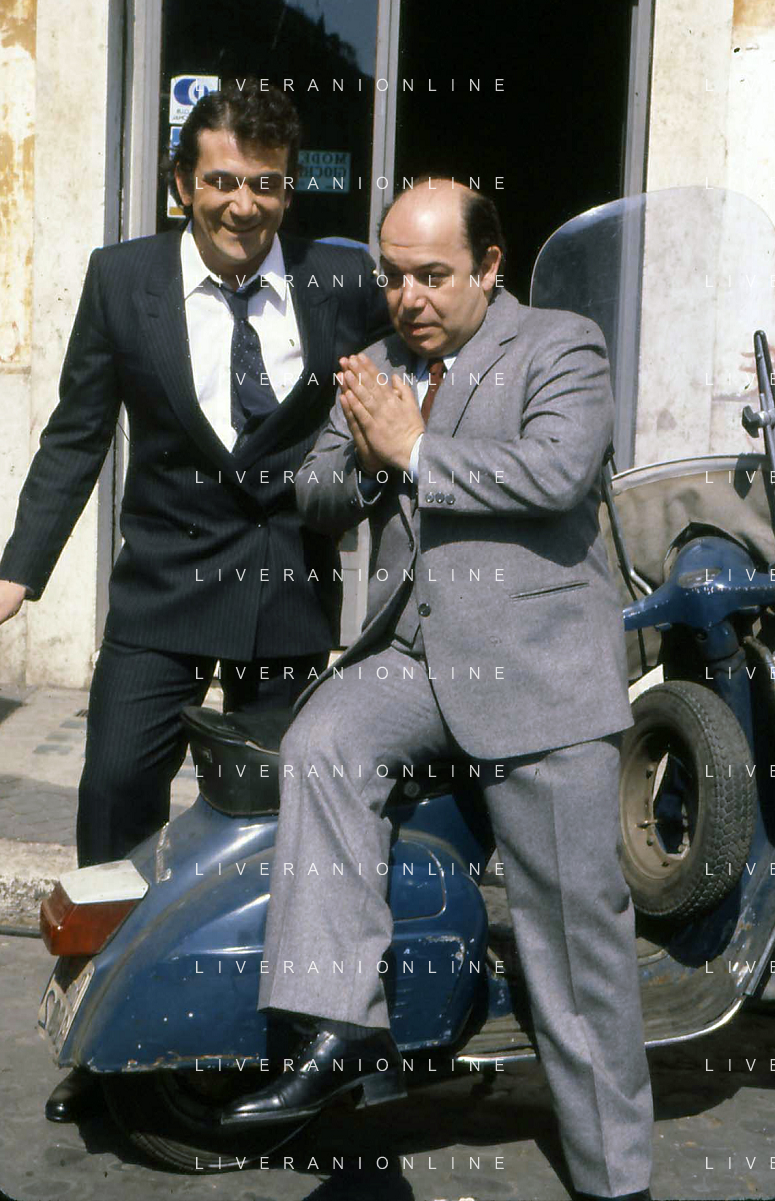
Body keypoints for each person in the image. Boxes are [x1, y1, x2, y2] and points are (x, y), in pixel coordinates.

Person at [220, 180, 654, 1201]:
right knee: (322, 743)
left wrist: (413, 449)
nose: (407, 297)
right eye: (393, 276)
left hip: (538, 668)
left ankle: (615, 1175)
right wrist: (373, 461)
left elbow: (554, 471)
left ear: (489, 267)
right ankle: (343, 1028)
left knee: (572, 940)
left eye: (431, 275)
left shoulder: (561, 345)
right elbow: (318, 489)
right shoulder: (376, 363)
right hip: (414, 658)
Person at [0, 78, 386, 1122]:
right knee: (114, 796)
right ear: (182, 182)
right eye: (220, 180)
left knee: (289, 824)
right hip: (162, 591)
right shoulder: (122, 280)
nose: (242, 204)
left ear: (287, 191)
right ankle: (101, 1039)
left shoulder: (338, 282)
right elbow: (77, 433)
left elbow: (436, 328)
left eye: (265, 184)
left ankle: (280, 1038)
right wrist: (17, 570)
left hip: (286, 593)